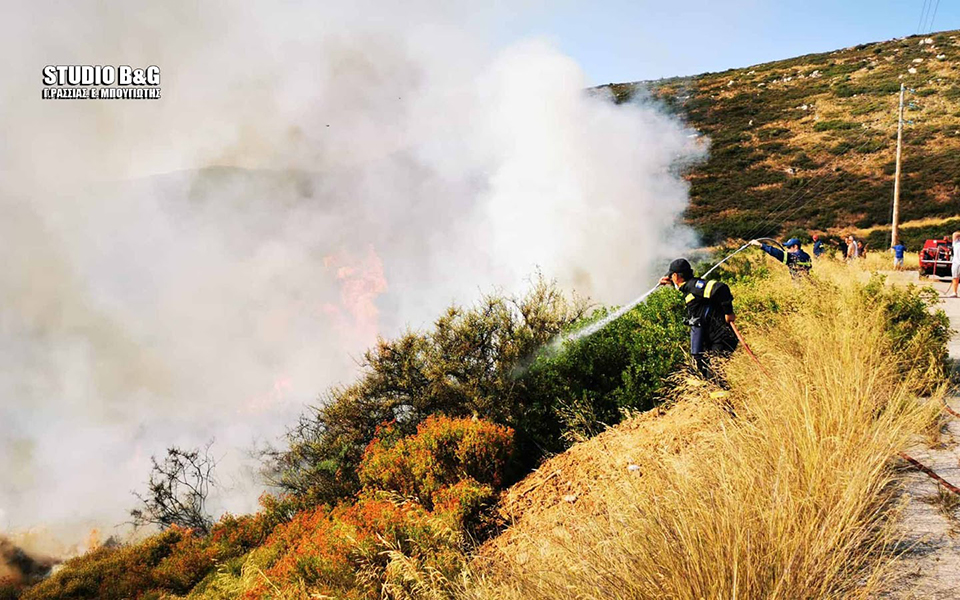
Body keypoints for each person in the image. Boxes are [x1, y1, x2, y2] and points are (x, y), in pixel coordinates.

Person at [659, 258, 738, 381]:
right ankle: (717, 398)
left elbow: (721, 288)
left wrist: (729, 313)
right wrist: (670, 282)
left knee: (715, 374)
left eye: (671, 276)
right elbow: (683, 288)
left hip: (721, 338)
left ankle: (723, 398)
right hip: (712, 339)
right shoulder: (687, 287)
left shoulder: (694, 286)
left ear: (675, 276)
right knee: (702, 369)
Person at [948, 232, 960, 298]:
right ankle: (954, 292)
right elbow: (955, 234)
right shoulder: (956, 242)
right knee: (955, 278)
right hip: (957, 262)